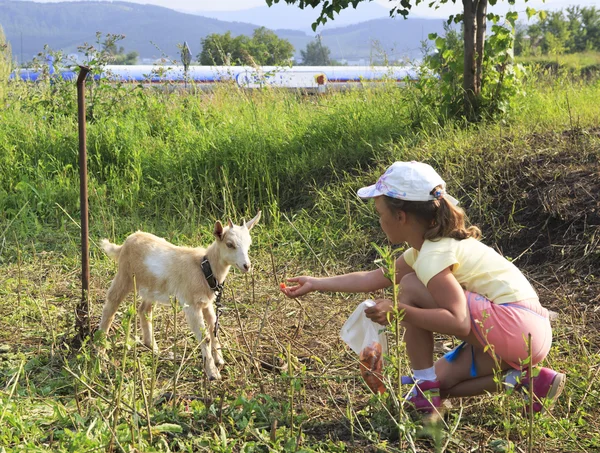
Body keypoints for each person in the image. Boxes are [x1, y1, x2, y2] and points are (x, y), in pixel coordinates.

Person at [280, 161, 565, 413]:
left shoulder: (432, 257)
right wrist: (316, 283)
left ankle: (423, 383)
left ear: (400, 216)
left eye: (380, 213)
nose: (379, 221)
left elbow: (458, 320)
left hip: (513, 326)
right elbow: (372, 279)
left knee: (411, 286)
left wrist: (398, 310)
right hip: (529, 335)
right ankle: (523, 381)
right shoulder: (427, 251)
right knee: (437, 385)